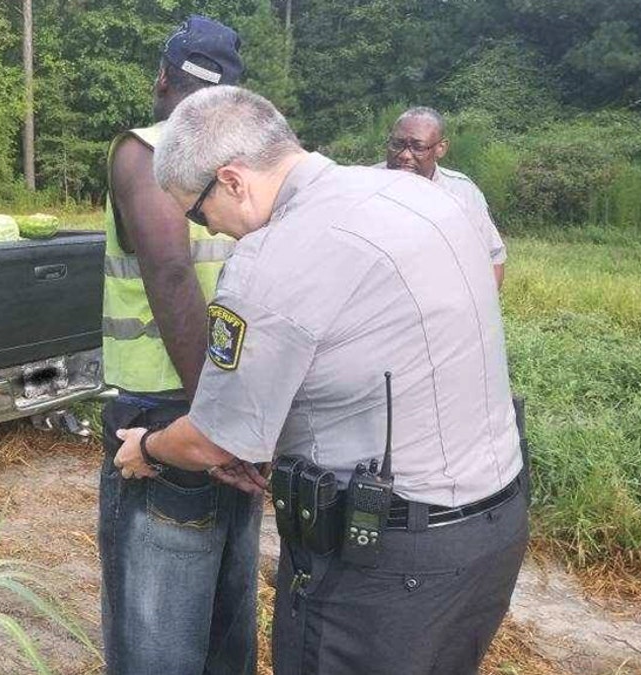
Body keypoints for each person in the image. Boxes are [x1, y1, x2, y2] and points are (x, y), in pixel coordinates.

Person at [116, 86, 528, 675]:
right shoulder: (420, 198)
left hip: (384, 567)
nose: (209, 227)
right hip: (494, 530)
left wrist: (147, 448)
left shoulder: (270, 260)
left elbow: (214, 440)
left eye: (196, 210)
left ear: (232, 180)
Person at [97, 16, 262, 675]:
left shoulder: (147, 151)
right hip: (236, 409)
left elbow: (167, 271)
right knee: (227, 618)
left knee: (154, 636)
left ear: (162, 78)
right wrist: (238, 420)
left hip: (167, 419)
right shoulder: (245, 170)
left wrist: (210, 421)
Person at [381, 106, 507, 289]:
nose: (405, 155)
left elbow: (493, 256)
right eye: (397, 144)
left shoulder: (462, 192)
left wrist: (481, 312)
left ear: (441, 148)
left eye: (418, 147)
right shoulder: (363, 185)